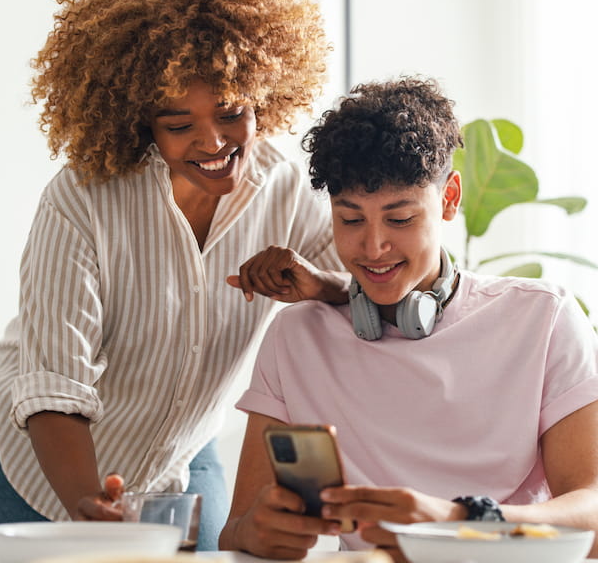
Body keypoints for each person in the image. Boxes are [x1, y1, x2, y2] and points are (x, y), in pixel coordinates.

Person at [0, 0, 349, 550]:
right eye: (180, 123)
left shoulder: (284, 186)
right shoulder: (83, 199)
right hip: (36, 468)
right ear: (142, 124)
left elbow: (357, 286)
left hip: (179, 460)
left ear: (264, 93)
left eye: (232, 113)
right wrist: (88, 505)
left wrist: (318, 283)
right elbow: (53, 383)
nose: (213, 143)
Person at [219, 77, 598, 560]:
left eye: (400, 220)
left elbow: (592, 517)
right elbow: (234, 533)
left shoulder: (543, 318)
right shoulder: (297, 337)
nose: (373, 248)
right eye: (350, 219)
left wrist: (458, 521)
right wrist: (258, 532)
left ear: (449, 199)